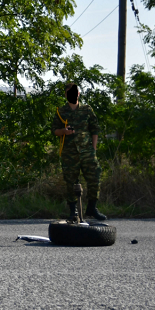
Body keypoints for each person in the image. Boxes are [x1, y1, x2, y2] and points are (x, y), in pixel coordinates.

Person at [52, 82, 107, 221]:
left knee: (95, 177)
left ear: (78, 93)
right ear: (65, 95)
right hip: (69, 152)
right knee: (71, 181)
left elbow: (95, 129)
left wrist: (93, 149)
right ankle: (73, 212)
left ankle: (92, 208)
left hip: (87, 151)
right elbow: (55, 131)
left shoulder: (87, 110)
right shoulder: (61, 111)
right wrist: (64, 131)